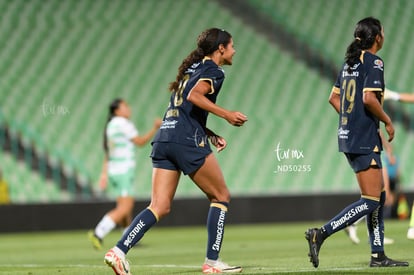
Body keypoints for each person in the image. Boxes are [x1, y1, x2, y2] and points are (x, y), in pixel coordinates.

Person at [103, 28, 247, 275]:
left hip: (165, 137)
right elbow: (194, 97)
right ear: (220, 49)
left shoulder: (191, 70)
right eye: (232, 45)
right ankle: (212, 262)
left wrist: (210, 134)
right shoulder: (213, 70)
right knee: (220, 195)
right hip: (185, 140)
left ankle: (118, 251)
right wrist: (227, 115)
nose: (234, 50)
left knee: (159, 206)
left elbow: (185, 109)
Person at [305, 17, 408, 268]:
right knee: (372, 200)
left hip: (349, 136)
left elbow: (333, 98)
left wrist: (351, 121)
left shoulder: (349, 63)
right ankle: (322, 233)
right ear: (378, 38)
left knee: (378, 197)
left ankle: (378, 255)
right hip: (364, 137)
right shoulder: (374, 62)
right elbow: (370, 99)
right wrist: (387, 121)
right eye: (383, 31)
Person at [88, 98, 162, 250]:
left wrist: (103, 174)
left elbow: (108, 152)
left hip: (114, 170)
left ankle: (128, 236)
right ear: (117, 110)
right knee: (125, 208)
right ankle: (98, 233)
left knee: (123, 207)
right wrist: (155, 128)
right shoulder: (123, 124)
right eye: (125, 106)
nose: (128, 109)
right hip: (123, 170)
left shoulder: (110, 125)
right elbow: (140, 142)